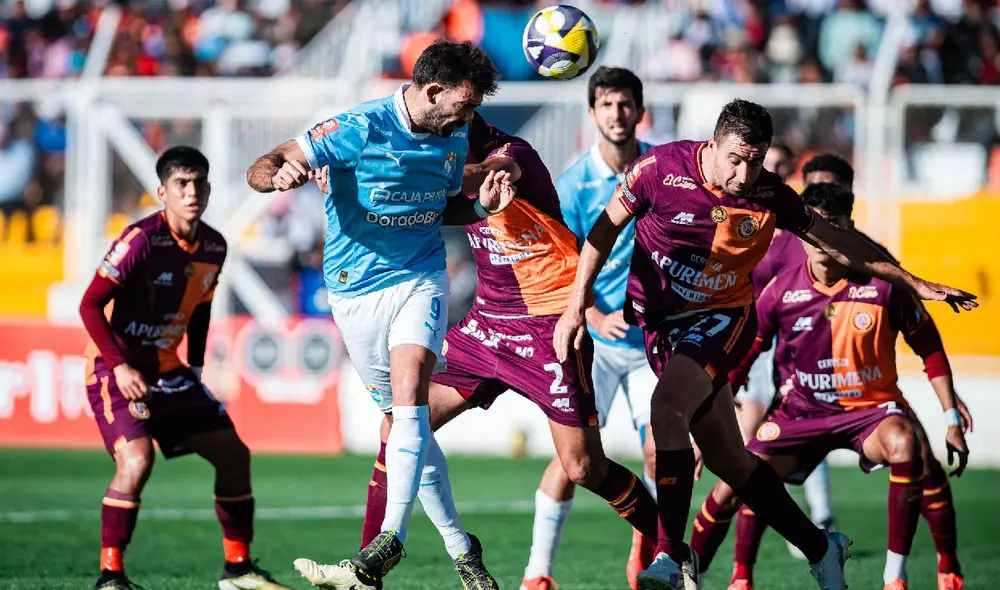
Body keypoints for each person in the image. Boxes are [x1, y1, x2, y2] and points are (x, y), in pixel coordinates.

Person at [552, 99, 977, 590]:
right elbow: (603, 230)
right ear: (712, 145)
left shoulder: (770, 194)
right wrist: (576, 302)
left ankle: (670, 557)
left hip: (721, 319)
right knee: (729, 461)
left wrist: (912, 281)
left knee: (666, 408)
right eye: (736, 158)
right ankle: (821, 547)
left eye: (755, 160)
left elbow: (839, 242)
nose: (744, 172)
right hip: (660, 326)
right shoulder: (658, 169)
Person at [293, 112, 662, 590]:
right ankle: (367, 569)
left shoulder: (513, 155)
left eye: (440, 131)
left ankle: (673, 548)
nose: (429, 141)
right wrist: (355, 191)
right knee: (401, 421)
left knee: (582, 467)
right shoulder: (442, 164)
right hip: (487, 325)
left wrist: (390, 173)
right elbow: (419, 213)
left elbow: (480, 176)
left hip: (547, 324)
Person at [246, 40, 505, 588]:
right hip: (353, 290)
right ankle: (461, 545)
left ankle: (391, 539)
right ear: (432, 92)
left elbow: (439, 206)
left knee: (413, 395)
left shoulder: (455, 131)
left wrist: (482, 205)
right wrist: (279, 177)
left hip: (420, 275)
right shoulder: (358, 127)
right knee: (401, 423)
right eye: (463, 104)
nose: (470, 116)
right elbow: (264, 165)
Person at [691, 155, 972, 590]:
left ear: (848, 227)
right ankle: (720, 576)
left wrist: (950, 411)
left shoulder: (881, 278)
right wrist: (706, 423)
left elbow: (929, 345)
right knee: (738, 477)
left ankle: (910, 576)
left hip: (870, 407)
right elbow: (742, 356)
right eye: (816, 226)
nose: (823, 239)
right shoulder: (778, 282)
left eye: (834, 226)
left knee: (911, 447)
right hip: (799, 408)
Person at [79, 146, 290, 590]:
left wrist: (194, 369)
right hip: (114, 370)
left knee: (234, 454)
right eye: (181, 183)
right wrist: (118, 367)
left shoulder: (214, 246)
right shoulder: (139, 241)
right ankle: (110, 577)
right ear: (162, 191)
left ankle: (238, 570)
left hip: (168, 370)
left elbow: (201, 311)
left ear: (209, 188)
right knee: (137, 462)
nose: (192, 191)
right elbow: (90, 304)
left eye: (198, 183)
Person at [521, 66, 657, 590]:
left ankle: (647, 551)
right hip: (592, 342)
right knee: (571, 460)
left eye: (625, 104)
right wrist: (595, 314)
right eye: (607, 105)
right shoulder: (576, 184)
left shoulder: (658, 172)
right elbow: (562, 264)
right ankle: (538, 574)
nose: (617, 114)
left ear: (639, 110)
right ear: (593, 112)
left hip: (649, 344)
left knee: (660, 451)